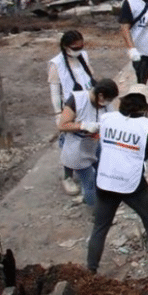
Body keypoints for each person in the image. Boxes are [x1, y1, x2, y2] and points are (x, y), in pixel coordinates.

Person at [87, 84, 148, 273]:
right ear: (145, 108)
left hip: (105, 179)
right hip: (131, 182)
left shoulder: (107, 119)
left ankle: (91, 270)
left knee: (100, 228)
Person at [49, 30, 97, 196]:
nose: (78, 50)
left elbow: (90, 77)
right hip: (70, 108)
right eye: (75, 47)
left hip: (87, 104)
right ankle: (67, 176)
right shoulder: (56, 64)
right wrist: (58, 114)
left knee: (89, 137)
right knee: (70, 143)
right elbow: (55, 92)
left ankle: (88, 164)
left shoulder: (83, 57)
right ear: (65, 47)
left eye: (81, 46)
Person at [58, 79, 118, 207]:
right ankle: (96, 210)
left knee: (103, 172)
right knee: (89, 181)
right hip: (77, 148)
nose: (107, 104)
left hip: (95, 143)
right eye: (107, 100)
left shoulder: (105, 104)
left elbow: (113, 119)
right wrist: (82, 126)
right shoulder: (77, 100)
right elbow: (62, 125)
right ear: (100, 95)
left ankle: (103, 197)